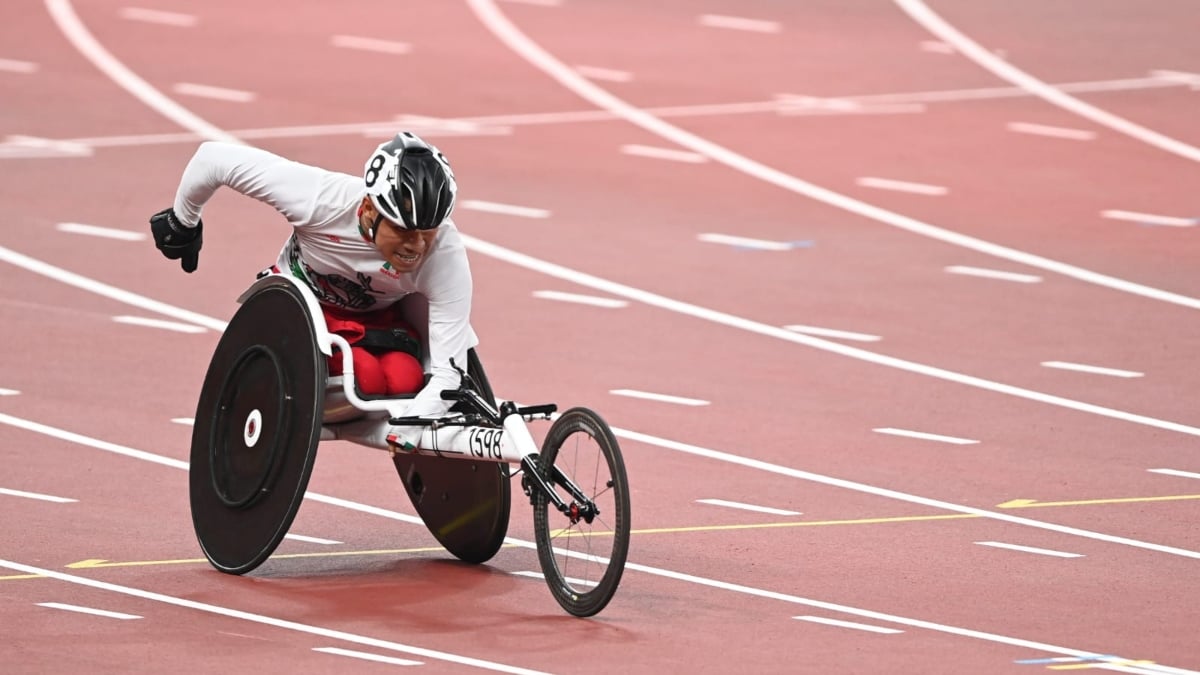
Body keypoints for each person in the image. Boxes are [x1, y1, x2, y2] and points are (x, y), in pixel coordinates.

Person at [150, 132, 476, 452]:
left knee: (404, 377)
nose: (416, 245)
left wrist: (411, 427)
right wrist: (183, 222)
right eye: (403, 230)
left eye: (427, 232)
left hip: (377, 322)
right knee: (366, 377)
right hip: (301, 313)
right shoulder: (321, 199)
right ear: (367, 209)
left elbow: (450, 377)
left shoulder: (444, 254)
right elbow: (213, 159)